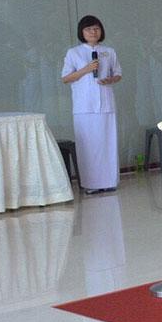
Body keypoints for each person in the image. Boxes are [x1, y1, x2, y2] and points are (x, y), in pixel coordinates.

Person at [61, 15, 122, 194]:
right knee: (88, 144)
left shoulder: (109, 51)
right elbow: (66, 78)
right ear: (82, 32)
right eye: (88, 29)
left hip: (106, 103)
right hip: (84, 106)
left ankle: (110, 180)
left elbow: (118, 73)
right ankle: (91, 183)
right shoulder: (74, 52)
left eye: (96, 28)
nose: (93, 32)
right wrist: (86, 70)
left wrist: (111, 79)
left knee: (107, 142)